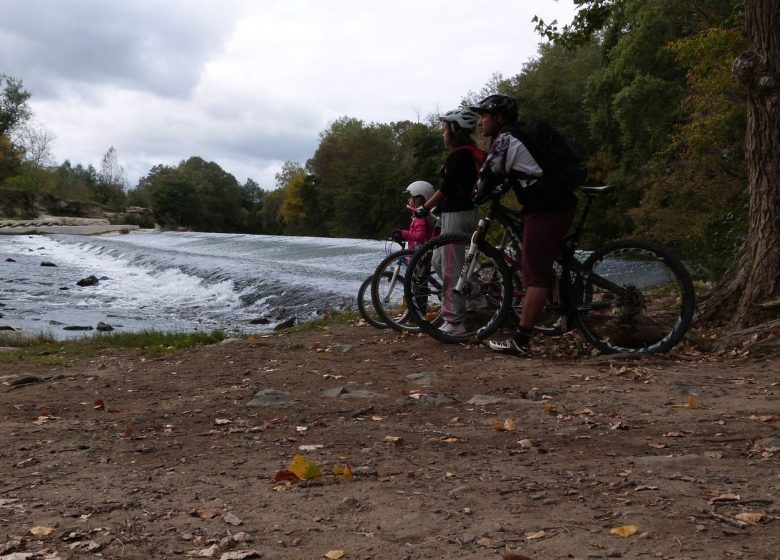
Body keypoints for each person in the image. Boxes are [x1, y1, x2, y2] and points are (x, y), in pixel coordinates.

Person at [470, 94, 578, 356]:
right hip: (555, 203)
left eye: (484, 116)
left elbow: (486, 176)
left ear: (499, 117)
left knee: (536, 274)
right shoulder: (519, 135)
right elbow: (520, 170)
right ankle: (567, 312)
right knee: (537, 260)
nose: (480, 122)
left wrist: (475, 196)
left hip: (546, 208)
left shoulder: (505, 140)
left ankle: (521, 341)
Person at [414, 109, 485, 334]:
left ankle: (455, 321)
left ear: (454, 130)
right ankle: (476, 296)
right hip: (461, 213)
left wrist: (424, 208)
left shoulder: (460, 155)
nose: (443, 133)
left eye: (445, 128)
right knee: (438, 260)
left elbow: (446, 188)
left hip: (457, 213)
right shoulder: (468, 153)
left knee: (451, 268)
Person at [391, 181, 437, 250]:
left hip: (419, 255)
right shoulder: (420, 216)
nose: (408, 199)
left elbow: (420, 237)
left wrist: (402, 233)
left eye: (410, 197)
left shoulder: (420, 217)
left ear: (419, 199)